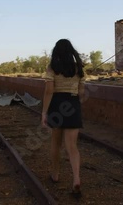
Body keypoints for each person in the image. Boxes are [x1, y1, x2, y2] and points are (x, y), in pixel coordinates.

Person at [41, 39, 85, 199]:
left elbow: (49, 91)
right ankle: (76, 179)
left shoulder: (52, 68)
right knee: (72, 146)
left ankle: (55, 174)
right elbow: (81, 93)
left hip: (57, 106)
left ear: (56, 51)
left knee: (56, 143)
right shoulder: (78, 68)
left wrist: (44, 112)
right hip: (72, 104)